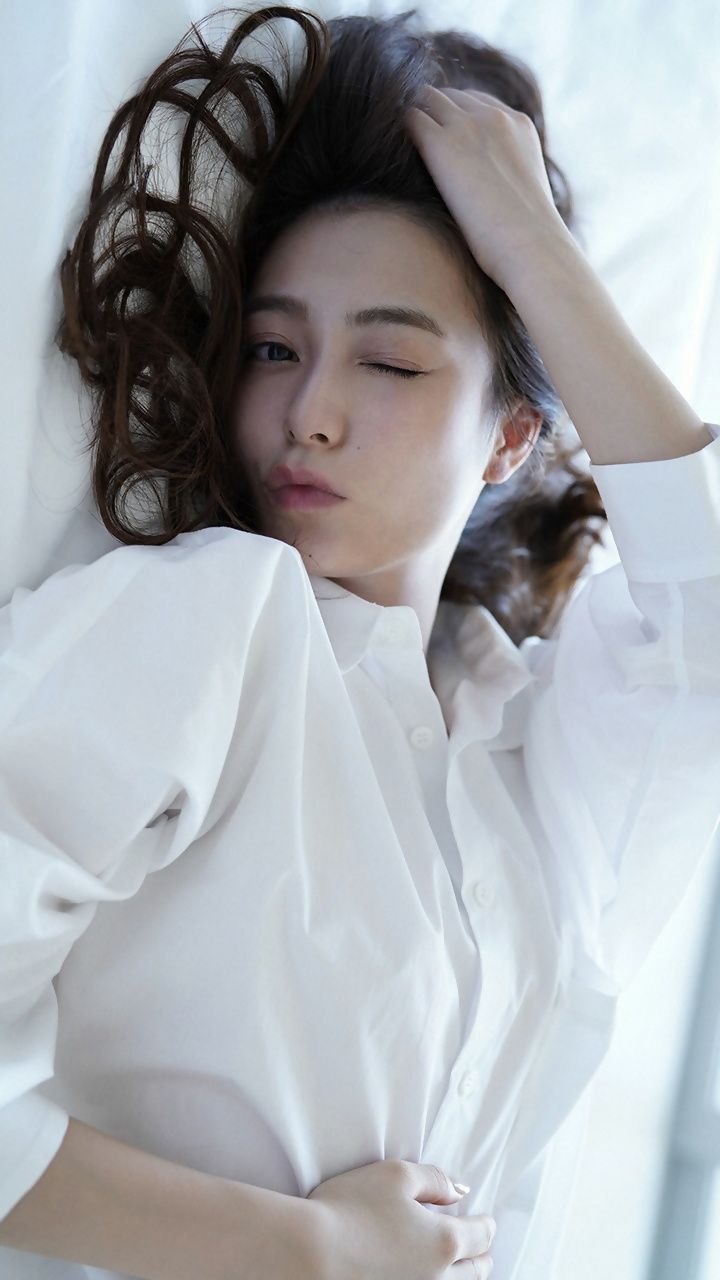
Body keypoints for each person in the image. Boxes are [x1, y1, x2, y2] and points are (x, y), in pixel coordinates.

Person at [1, 5, 718, 1279]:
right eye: (273, 348)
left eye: (390, 362)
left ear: (510, 437)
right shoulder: (213, 623)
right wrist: (306, 1243)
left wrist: (536, 255)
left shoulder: (532, 751)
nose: (310, 412)